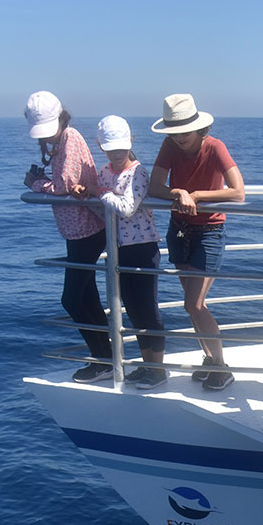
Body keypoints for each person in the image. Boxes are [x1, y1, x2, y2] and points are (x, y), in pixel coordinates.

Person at [149, 94, 245, 391]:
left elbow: (238, 192)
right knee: (191, 306)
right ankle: (209, 360)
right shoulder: (168, 146)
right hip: (179, 229)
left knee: (195, 303)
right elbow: (155, 186)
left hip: (209, 232)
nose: (178, 138)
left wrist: (198, 195)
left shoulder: (215, 147)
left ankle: (221, 366)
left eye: (184, 132)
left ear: (198, 128)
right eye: (173, 132)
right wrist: (178, 192)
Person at [24, 91, 112, 383]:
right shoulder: (62, 141)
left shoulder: (71, 138)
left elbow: (63, 185)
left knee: (71, 299)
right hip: (78, 232)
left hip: (86, 231)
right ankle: (107, 358)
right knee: (87, 297)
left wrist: (35, 182)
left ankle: (104, 359)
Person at [73, 116, 167, 390]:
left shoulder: (138, 172)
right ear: (101, 146)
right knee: (133, 310)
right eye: (110, 148)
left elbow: (126, 207)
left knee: (148, 309)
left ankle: (157, 369)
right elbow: (106, 209)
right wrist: (88, 194)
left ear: (131, 144)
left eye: (121, 148)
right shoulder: (104, 172)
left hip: (143, 248)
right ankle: (146, 364)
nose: (116, 154)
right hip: (119, 250)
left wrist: (100, 192)